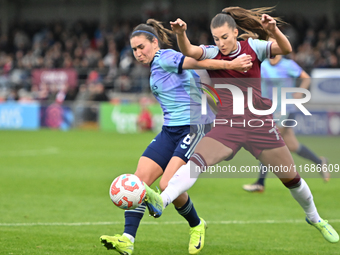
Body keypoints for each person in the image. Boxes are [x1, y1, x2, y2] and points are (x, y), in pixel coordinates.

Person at [143, 6, 339, 245]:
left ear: (235, 33)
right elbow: (190, 51)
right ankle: (161, 201)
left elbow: (286, 49)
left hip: (259, 123)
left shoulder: (253, 48)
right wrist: (181, 34)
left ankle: (315, 218)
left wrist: (273, 30)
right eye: (216, 38)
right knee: (197, 161)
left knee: (292, 179)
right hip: (228, 124)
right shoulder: (212, 53)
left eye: (224, 37)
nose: (221, 43)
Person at [100, 19, 253, 255]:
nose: (138, 53)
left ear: (154, 42)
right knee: (138, 181)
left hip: (194, 127)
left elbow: (195, 61)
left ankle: (196, 225)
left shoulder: (165, 57)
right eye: (134, 49)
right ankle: (127, 240)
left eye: (141, 47)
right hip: (170, 130)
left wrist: (231, 63)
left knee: (165, 184)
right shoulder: (155, 65)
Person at [243, 53, 330, 192]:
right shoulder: (263, 65)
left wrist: (299, 92)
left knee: (267, 141)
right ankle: (320, 162)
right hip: (269, 110)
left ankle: (260, 182)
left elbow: (306, 78)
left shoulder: (287, 65)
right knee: (293, 145)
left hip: (285, 109)